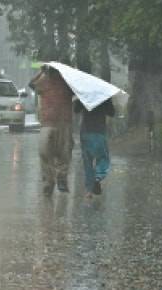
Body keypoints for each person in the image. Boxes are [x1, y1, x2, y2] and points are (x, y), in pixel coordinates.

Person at [29, 65, 74, 195]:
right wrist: (41, 72)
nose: (54, 74)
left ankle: (61, 178)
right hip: (47, 123)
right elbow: (31, 84)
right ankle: (48, 182)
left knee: (64, 153)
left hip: (64, 122)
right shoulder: (43, 81)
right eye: (52, 71)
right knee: (44, 152)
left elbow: (78, 91)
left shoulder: (68, 83)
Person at [75, 98, 115, 197]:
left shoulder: (84, 93)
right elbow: (112, 113)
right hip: (99, 132)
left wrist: (80, 99)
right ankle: (98, 177)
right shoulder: (104, 95)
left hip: (86, 132)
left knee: (87, 161)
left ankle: (89, 190)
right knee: (103, 157)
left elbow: (76, 110)